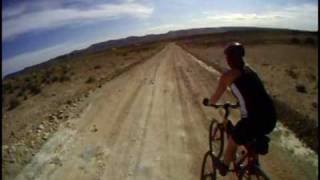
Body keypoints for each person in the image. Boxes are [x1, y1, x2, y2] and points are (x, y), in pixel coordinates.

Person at [203, 42, 277, 176]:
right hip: (271, 117)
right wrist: (239, 103)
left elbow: (216, 97)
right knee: (252, 135)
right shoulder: (251, 70)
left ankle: (224, 167)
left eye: (228, 57)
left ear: (229, 58)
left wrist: (209, 102)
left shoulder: (228, 75)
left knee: (232, 143)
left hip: (253, 121)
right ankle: (253, 164)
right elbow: (253, 93)